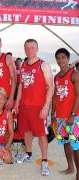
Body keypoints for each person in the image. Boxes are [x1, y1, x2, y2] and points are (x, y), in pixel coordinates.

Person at [14, 39, 53, 176]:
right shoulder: (24, 64)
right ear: (24, 49)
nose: (29, 50)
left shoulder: (44, 65)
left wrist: (46, 107)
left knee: (42, 134)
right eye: (27, 47)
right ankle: (28, 153)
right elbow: (21, 86)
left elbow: (51, 87)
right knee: (26, 131)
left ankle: (44, 160)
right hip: (24, 105)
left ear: (37, 49)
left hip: (38, 106)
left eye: (32, 47)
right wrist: (17, 102)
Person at [51, 48, 79, 180]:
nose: (60, 60)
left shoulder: (74, 75)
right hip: (61, 117)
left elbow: (78, 96)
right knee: (65, 142)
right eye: (58, 58)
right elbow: (55, 97)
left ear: (68, 59)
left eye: (63, 57)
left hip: (73, 118)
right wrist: (52, 114)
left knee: (76, 145)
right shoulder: (56, 77)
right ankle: (70, 168)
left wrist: (73, 114)